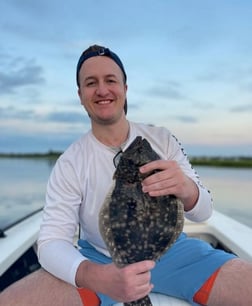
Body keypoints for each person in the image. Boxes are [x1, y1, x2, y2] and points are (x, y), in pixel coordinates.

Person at [1, 44, 252, 306]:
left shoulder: (162, 139)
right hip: (101, 262)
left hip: (176, 254)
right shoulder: (70, 162)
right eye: (91, 82)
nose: (102, 90)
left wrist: (187, 188)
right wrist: (95, 276)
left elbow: (203, 212)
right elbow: (52, 242)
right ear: (80, 94)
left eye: (111, 80)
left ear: (125, 88)